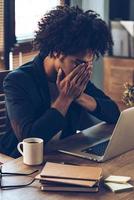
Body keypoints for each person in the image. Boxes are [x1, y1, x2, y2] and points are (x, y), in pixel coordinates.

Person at [0, 6, 120, 158]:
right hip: (22, 164)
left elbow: (114, 113)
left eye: (89, 64)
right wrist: (65, 98)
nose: (85, 70)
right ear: (57, 52)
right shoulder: (18, 81)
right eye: (78, 63)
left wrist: (79, 96)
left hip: (62, 155)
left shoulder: (74, 78)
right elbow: (28, 139)